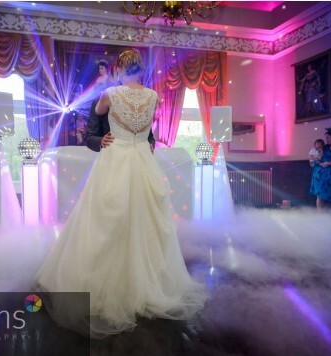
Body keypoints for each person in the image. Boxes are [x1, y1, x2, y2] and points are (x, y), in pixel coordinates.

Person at [35, 48, 206, 338]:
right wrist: (109, 138)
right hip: (142, 162)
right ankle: (146, 284)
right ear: (141, 70)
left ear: (119, 69)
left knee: (106, 219)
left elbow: (97, 120)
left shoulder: (109, 95)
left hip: (116, 159)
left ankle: (107, 285)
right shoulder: (154, 96)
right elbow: (133, 131)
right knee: (145, 221)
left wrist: (106, 137)